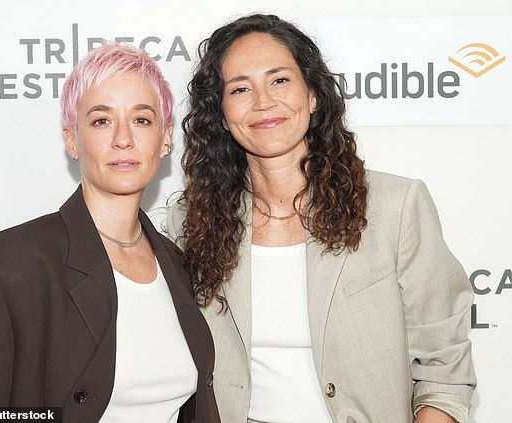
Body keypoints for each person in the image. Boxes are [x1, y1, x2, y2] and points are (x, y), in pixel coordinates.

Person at [167, 13, 476, 423]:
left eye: (279, 80)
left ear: (313, 96)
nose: (263, 101)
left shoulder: (396, 206)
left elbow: (444, 369)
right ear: (222, 113)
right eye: (240, 88)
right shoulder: (191, 222)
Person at [0, 44, 220, 423]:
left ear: (165, 138)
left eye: (142, 119)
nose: (123, 138)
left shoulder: (179, 265)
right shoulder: (2, 267)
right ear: (72, 140)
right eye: (101, 121)